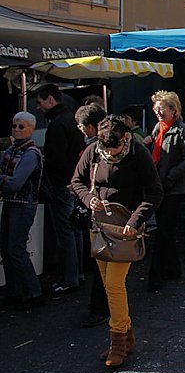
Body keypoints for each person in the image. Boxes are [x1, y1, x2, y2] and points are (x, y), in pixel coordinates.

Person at [71, 115, 163, 368]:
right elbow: (77, 181)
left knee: (113, 284)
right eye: (107, 148)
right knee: (108, 284)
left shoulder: (139, 154)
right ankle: (128, 335)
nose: (111, 153)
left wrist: (135, 222)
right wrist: (88, 198)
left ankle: (118, 341)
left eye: (116, 148)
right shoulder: (93, 151)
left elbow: (155, 191)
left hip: (125, 229)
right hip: (99, 227)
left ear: (125, 138)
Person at [35, 83, 85, 294]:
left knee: (66, 231)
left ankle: (70, 277)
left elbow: (56, 158)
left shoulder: (58, 124)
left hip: (62, 184)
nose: (37, 107)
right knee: (74, 231)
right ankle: (77, 274)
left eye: (39, 102)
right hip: (73, 183)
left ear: (50, 100)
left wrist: (51, 179)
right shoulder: (71, 120)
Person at [146, 90, 185, 291]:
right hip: (159, 187)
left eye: (162, 109)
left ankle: (155, 275)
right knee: (165, 231)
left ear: (173, 110)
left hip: (174, 189)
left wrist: (170, 177)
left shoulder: (182, 130)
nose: (158, 112)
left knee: (164, 231)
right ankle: (174, 269)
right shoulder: (157, 129)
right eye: (156, 109)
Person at [0, 112, 44, 310]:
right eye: (14, 126)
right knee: (7, 249)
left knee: (16, 249)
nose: (17, 130)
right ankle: (15, 291)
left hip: (24, 204)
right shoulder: (11, 150)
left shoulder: (31, 153)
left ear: (31, 129)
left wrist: (4, 180)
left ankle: (34, 292)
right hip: (11, 203)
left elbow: (15, 183)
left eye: (21, 126)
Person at [74, 103, 110, 329]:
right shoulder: (92, 150)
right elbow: (77, 181)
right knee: (102, 265)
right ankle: (107, 309)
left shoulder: (96, 149)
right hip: (99, 213)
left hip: (107, 216)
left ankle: (104, 310)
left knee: (103, 265)